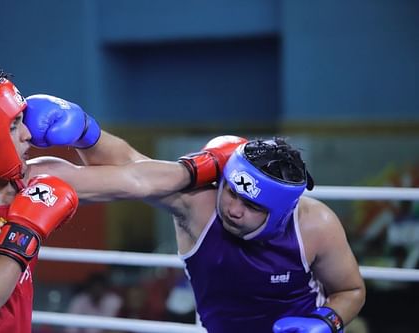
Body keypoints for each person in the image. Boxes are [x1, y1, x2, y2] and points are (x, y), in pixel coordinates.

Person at [0, 69, 221, 332]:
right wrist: (27, 229)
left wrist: (206, 166)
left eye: (23, 120)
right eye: (13, 126)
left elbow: (135, 179)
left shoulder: (32, 178)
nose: (28, 134)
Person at [145, 137, 366, 333]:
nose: (234, 210)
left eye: (252, 206)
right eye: (232, 192)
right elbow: (133, 174)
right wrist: (191, 169)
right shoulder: (198, 208)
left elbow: (351, 290)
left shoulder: (315, 225)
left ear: (281, 212)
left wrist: (325, 322)